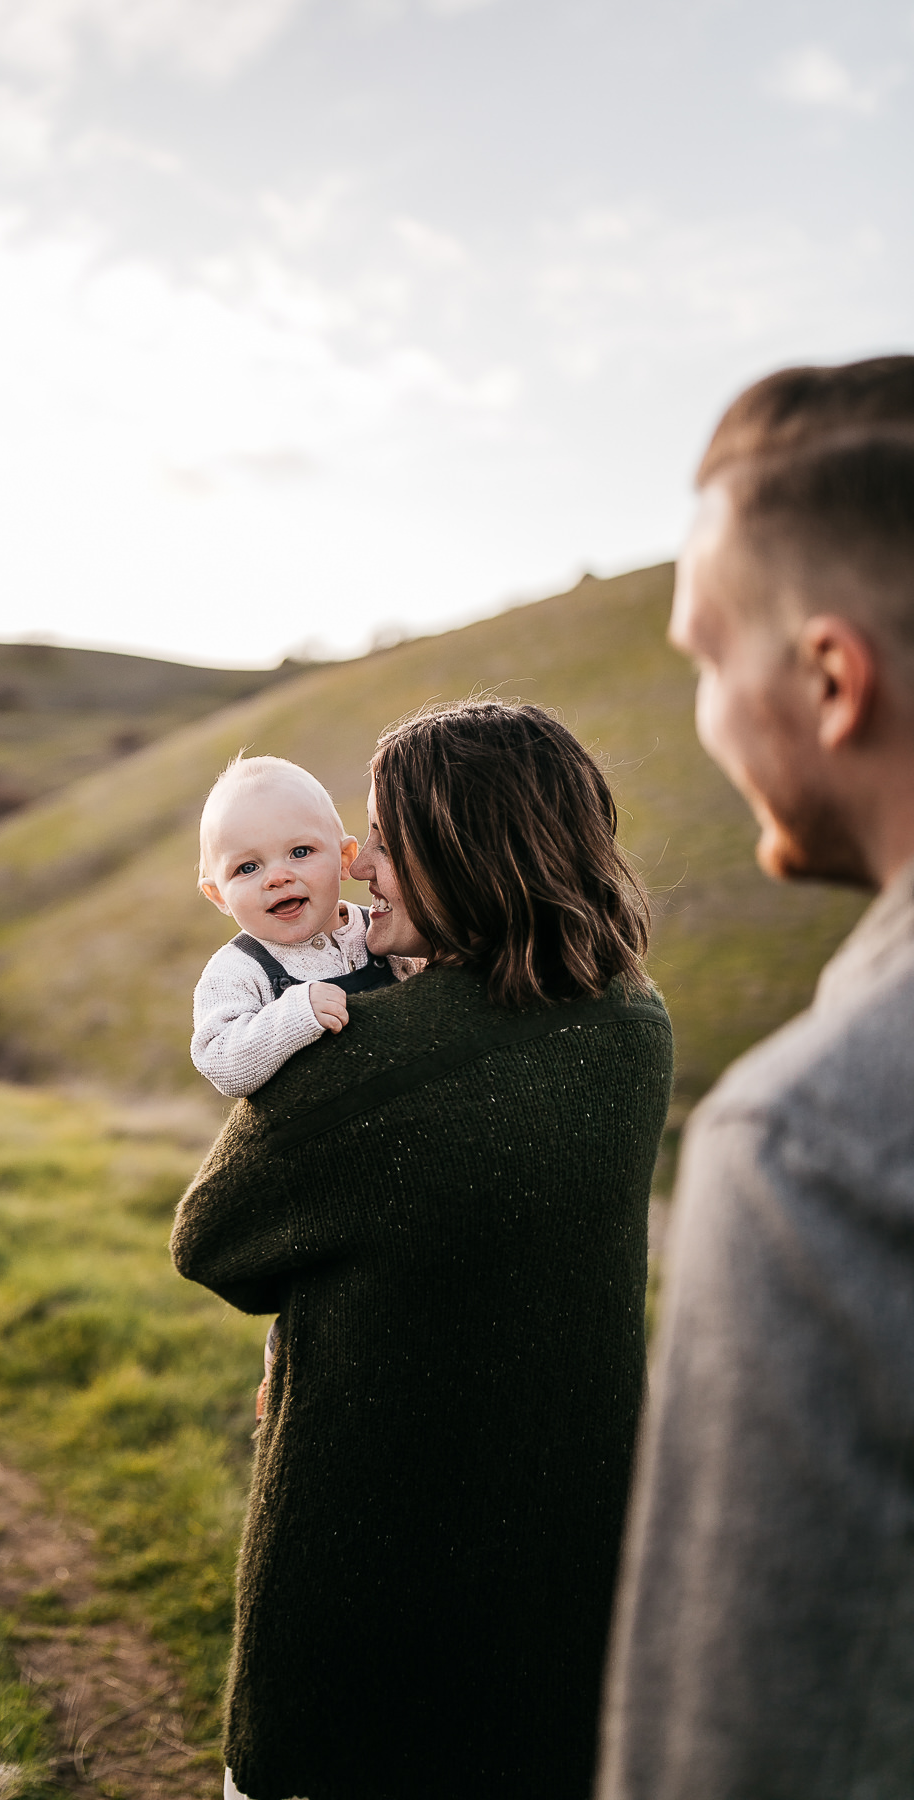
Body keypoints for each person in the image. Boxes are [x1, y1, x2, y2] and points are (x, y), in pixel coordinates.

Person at [171, 700, 674, 1800]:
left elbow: (214, 1241)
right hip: (570, 1549)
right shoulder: (636, 1024)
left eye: (387, 842)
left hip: (372, 1540)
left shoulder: (374, 1051)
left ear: (463, 853)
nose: (362, 866)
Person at [598, 356, 914, 1800]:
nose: (707, 717)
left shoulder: (812, 1149)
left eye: (705, 659)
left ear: (834, 679)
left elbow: (733, 1756)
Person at [193, 753, 421, 1418]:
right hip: (313, 1174)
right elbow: (220, 1059)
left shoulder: (371, 934)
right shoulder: (240, 971)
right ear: (216, 893)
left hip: (395, 1152)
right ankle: (288, 1377)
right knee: (319, 1303)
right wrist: (290, 1017)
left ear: (345, 856)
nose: (279, 876)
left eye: (301, 851)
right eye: (247, 867)